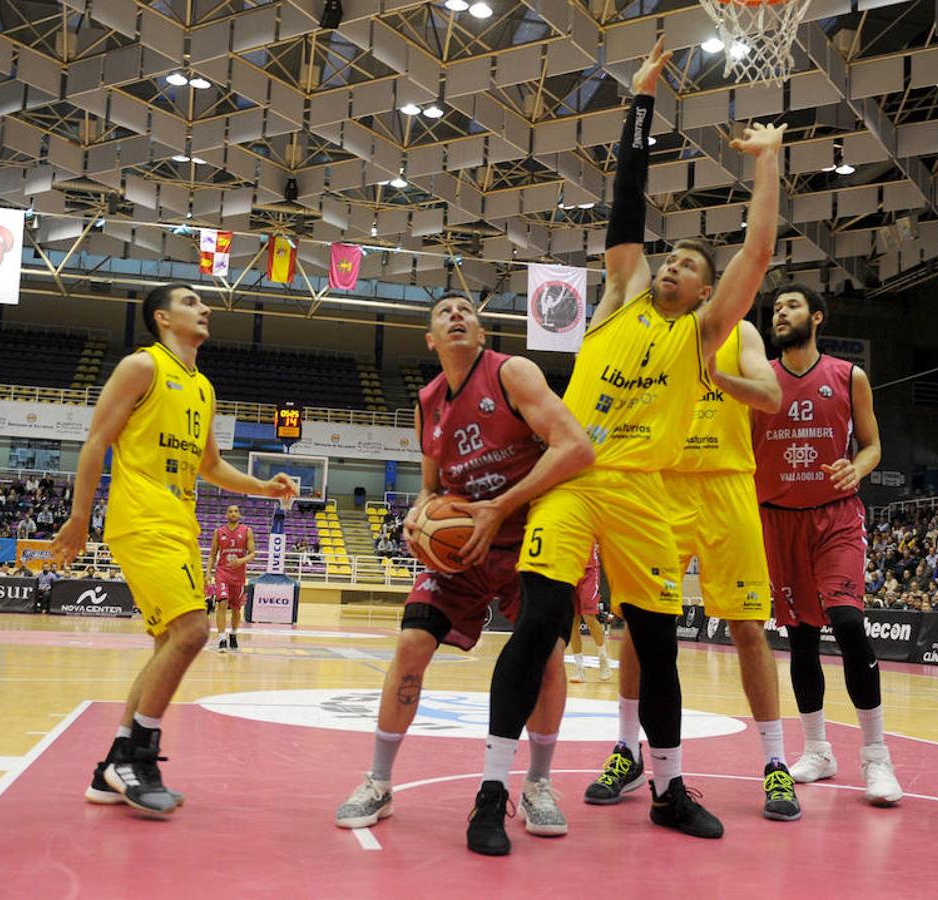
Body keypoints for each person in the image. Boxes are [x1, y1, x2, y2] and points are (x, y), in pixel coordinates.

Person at [465, 38, 785, 855]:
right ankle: (493, 789)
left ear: (706, 291)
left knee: (655, 646)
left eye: (685, 264)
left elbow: (756, 253)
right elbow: (627, 203)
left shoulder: (707, 334)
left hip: (649, 491)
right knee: (539, 624)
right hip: (574, 479)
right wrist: (640, 102)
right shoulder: (614, 302)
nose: (670, 266)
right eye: (666, 259)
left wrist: (768, 167)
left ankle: (668, 786)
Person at [335, 292, 594, 837]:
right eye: (443, 313)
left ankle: (539, 785)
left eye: (466, 311)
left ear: (481, 334)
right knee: (409, 645)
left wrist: (499, 506)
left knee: (547, 659)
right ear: (431, 340)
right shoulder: (427, 402)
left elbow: (575, 448)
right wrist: (418, 513)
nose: (456, 315)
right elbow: (430, 488)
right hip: (462, 551)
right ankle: (378, 781)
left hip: (528, 537)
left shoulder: (513, 374)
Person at [52, 283, 297, 816]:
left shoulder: (204, 387)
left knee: (168, 641)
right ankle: (138, 756)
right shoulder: (142, 367)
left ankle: (112, 765)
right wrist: (78, 519)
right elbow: (95, 441)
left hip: (180, 522)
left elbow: (209, 466)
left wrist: (264, 486)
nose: (204, 308)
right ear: (162, 318)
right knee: (192, 631)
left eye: (202, 303)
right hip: (142, 516)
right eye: (190, 302)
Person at [584, 283, 799, 821]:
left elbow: (771, 397)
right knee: (637, 622)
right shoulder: (651, 342)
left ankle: (775, 764)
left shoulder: (740, 333)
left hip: (728, 486)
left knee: (749, 626)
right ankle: (627, 748)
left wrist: (715, 377)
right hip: (662, 488)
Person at [751, 281, 902, 806]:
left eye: (791, 306)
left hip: (834, 516)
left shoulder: (848, 376)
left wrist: (855, 467)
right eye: (775, 309)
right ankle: (818, 749)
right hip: (776, 520)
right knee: (801, 639)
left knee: (849, 624)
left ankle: (876, 756)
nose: (779, 314)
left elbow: (873, 445)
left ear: (817, 317)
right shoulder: (758, 383)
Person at [207, 504, 255, 652]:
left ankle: (233, 634)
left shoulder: (247, 531)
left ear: (239, 515)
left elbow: (252, 553)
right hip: (222, 572)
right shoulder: (219, 532)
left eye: (235, 511)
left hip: (238, 575)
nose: (233, 513)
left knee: (236, 608)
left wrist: (241, 561)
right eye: (230, 511)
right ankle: (221, 638)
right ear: (226, 515)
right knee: (222, 603)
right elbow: (212, 555)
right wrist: (208, 572)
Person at [568, 544, 611, 683]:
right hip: (569, 567)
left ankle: (603, 658)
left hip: (589, 569)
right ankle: (579, 669)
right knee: (572, 620)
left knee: (589, 616)